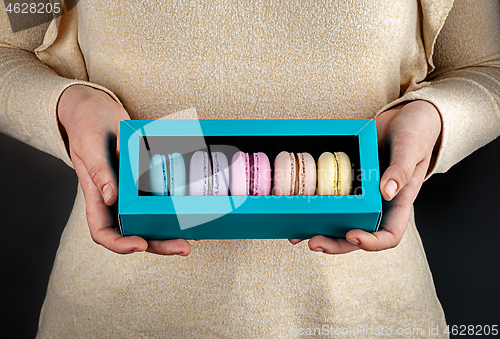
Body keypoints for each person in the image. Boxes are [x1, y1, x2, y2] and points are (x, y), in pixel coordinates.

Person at [1, 0, 499, 337]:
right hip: (118, 315)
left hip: (366, 317)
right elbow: (8, 42)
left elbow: (488, 66)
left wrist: (435, 117)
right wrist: (66, 104)